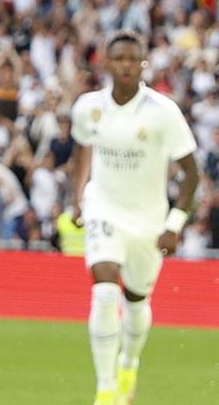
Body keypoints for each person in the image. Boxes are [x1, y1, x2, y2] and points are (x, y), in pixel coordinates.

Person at [70, 32, 200, 405]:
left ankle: (129, 361)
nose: (125, 65)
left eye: (133, 59)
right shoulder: (88, 108)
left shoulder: (163, 112)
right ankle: (106, 388)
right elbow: (82, 152)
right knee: (105, 288)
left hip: (148, 220)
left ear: (143, 64)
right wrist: (78, 200)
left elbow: (192, 173)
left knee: (137, 299)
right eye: (119, 59)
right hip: (103, 209)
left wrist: (174, 224)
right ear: (106, 63)